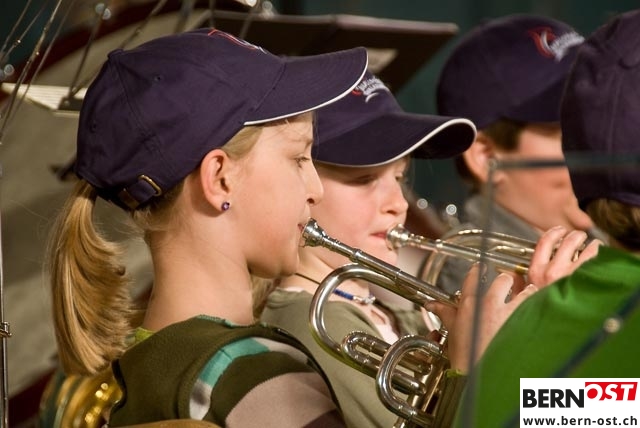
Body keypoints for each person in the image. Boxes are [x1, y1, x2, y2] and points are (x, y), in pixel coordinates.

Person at [45, 28, 370, 427]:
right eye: (299, 158)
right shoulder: (256, 375)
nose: (316, 189)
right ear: (220, 179)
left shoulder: (149, 365)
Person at [430, 9, 640, 427]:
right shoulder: (473, 281)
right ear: (485, 155)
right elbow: (615, 407)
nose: (591, 143)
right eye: (570, 128)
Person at [259, 71, 477, 427]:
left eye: (399, 177)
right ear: (304, 184)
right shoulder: (316, 323)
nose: (398, 204)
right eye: (364, 179)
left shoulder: (377, 308)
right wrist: (473, 368)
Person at [433, 14, 604, 295]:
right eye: (569, 133)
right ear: (485, 156)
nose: (602, 145)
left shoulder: (611, 234)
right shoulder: (476, 276)